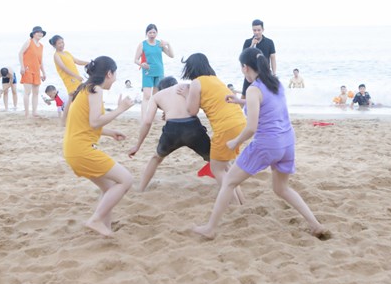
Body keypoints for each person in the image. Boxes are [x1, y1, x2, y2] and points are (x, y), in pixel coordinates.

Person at [192, 48, 327, 240]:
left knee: (228, 182)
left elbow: (251, 128)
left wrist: (235, 142)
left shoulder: (253, 89)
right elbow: (267, 104)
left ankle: (210, 228)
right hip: (287, 142)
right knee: (282, 189)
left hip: (267, 143)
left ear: (245, 67)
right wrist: (240, 101)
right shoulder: (275, 83)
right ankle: (315, 224)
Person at [63, 56, 134, 237]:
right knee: (126, 180)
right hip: (81, 150)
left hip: (73, 149)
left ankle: (105, 228)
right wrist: (121, 109)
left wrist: (110, 132)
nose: (115, 79)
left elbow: (86, 124)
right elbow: (95, 122)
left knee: (109, 188)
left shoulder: (85, 89)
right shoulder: (95, 89)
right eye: (115, 74)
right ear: (109, 73)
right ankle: (95, 220)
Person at [180, 53, 246, 204]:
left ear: (191, 68)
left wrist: (186, 95)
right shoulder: (216, 80)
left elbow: (192, 111)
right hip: (240, 123)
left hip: (226, 127)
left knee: (217, 169)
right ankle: (241, 203)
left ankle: (235, 205)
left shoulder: (197, 82)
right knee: (227, 168)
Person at [127, 76, 211, 192]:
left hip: (172, 129)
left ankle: (141, 188)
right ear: (175, 83)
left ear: (161, 88)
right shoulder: (186, 87)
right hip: (193, 128)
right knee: (215, 159)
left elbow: (147, 122)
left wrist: (137, 146)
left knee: (156, 158)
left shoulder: (157, 96)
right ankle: (230, 183)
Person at [133, 24, 174, 119]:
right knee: (147, 96)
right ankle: (144, 118)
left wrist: (168, 44)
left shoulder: (160, 44)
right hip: (147, 72)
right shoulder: (142, 44)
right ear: (146, 33)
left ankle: (151, 116)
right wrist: (141, 64)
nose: (152, 34)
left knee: (155, 97)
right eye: (150, 32)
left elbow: (171, 55)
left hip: (159, 72)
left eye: (154, 32)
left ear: (157, 33)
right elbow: (135, 60)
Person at [241, 19, 276, 96]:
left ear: (263, 30)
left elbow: (273, 58)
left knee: (265, 96)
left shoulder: (269, 42)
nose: (256, 32)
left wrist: (274, 74)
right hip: (250, 75)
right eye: (254, 30)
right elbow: (243, 58)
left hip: (265, 74)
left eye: (259, 30)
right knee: (245, 96)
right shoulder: (247, 42)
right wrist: (252, 45)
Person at [19, 26, 47, 118]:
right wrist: (22, 67)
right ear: (33, 34)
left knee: (36, 93)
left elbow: (40, 61)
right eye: (38, 32)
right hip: (27, 70)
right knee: (27, 92)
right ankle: (27, 113)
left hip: (37, 71)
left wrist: (43, 72)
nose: (40, 34)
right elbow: (20, 53)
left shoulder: (41, 46)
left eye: (41, 32)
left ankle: (34, 112)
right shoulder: (29, 42)